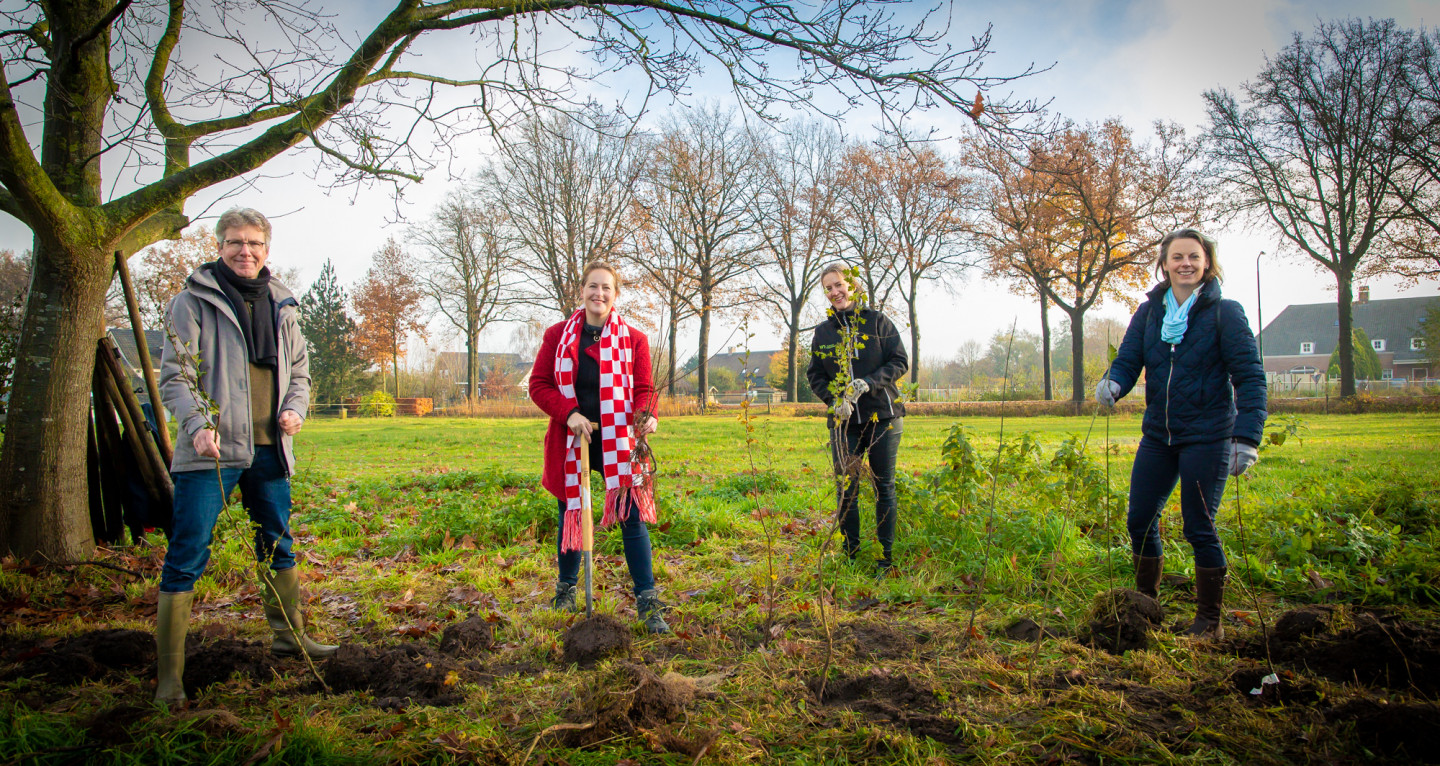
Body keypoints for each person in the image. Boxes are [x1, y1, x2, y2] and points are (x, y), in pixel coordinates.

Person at [155, 207, 337, 706]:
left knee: (279, 544)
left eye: (254, 243)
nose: (245, 251)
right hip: (210, 453)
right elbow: (176, 377)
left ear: (266, 249)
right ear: (219, 247)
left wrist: (295, 411)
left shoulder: (284, 304)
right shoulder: (190, 303)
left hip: (268, 451)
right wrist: (197, 426)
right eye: (235, 242)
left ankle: (289, 637)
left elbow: (299, 373)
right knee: (187, 554)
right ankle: (169, 676)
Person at [1097, 228, 1267, 638]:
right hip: (1159, 435)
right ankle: (1145, 607)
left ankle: (1209, 621)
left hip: (1208, 437)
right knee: (1139, 519)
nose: (1185, 264)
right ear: (1165, 263)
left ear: (1207, 262)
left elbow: (1250, 378)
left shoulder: (1225, 313)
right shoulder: (1149, 312)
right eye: (1177, 257)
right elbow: (1129, 359)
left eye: (1194, 257)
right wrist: (1114, 383)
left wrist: (1247, 437)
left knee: (1199, 526)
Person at [528, 262, 668, 633]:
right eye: (593, 286)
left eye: (606, 288)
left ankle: (647, 600)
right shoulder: (558, 335)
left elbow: (644, 389)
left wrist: (647, 413)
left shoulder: (634, 339)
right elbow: (539, 385)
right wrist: (569, 413)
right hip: (572, 440)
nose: (599, 294)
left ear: (615, 295)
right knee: (572, 512)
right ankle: (566, 589)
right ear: (582, 290)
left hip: (619, 441)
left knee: (631, 517)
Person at [806, 263, 910, 576]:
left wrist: (870, 382)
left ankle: (884, 559)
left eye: (839, 285)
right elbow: (815, 374)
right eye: (828, 288)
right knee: (846, 487)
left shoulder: (877, 322)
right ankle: (850, 555)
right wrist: (833, 400)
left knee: (884, 487)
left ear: (852, 286)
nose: (835, 292)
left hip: (883, 418)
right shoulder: (823, 332)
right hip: (844, 424)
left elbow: (900, 361)